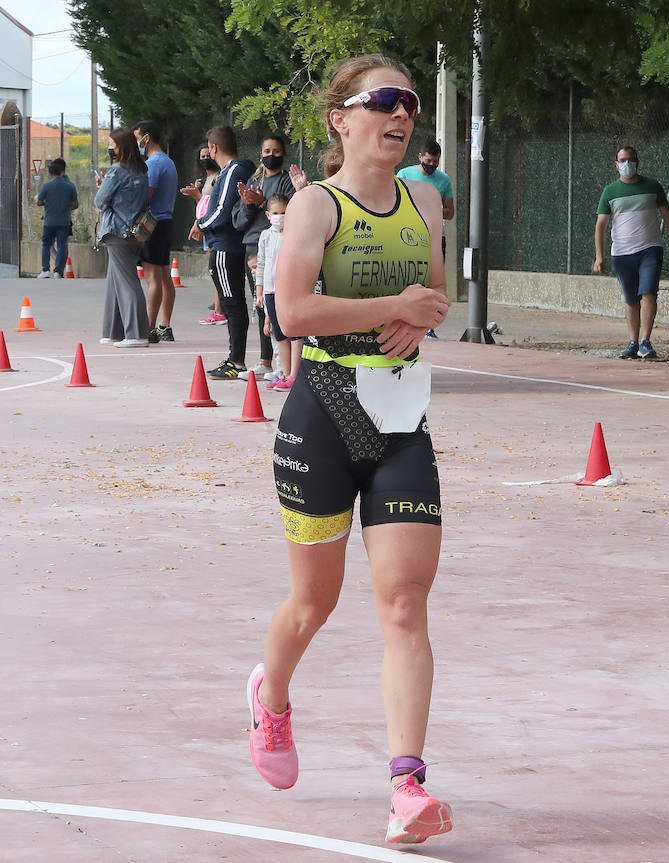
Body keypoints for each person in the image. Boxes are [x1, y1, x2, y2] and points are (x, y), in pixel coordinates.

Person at [250, 54, 453, 845]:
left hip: (402, 416)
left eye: (410, 101)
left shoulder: (426, 202)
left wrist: (419, 314)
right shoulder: (315, 207)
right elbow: (292, 313)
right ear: (341, 117)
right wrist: (390, 305)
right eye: (385, 101)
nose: (402, 114)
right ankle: (270, 700)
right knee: (315, 602)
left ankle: (407, 784)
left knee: (404, 604)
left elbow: (436, 296)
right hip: (322, 414)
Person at [592, 146, 669, 360]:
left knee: (649, 293)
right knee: (631, 299)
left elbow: (668, 217)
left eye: (630, 160)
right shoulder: (610, 191)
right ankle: (633, 342)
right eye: (622, 161)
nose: (627, 164)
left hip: (650, 249)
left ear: (637, 162)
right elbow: (601, 226)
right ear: (616, 164)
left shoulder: (653, 186)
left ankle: (645, 341)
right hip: (622, 254)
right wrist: (599, 256)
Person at [235, 134, 304, 380]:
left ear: (283, 154)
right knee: (261, 306)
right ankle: (266, 360)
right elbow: (239, 221)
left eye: (276, 151)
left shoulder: (286, 182)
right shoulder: (253, 181)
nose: (270, 155)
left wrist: (262, 201)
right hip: (254, 247)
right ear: (260, 154)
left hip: (279, 250)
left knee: (279, 310)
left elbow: (292, 212)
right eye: (266, 151)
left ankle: (281, 366)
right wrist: (248, 203)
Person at [197, 126, 255, 380]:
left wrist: (201, 225)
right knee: (234, 304)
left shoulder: (233, 170)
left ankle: (236, 360)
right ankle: (237, 358)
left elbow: (222, 211)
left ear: (214, 148)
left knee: (232, 304)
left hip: (226, 246)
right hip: (229, 245)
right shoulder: (230, 172)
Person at [94, 128, 151, 348]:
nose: (110, 148)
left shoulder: (116, 171)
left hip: (116, 230)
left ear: (121, 147)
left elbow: (100, 201)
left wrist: (103, 189)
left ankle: (136, 334)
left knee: (127, 282)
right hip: (136, 231)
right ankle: (113, 331)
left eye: (112, 144)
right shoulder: (141, 170)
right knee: (115, 280)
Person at [397, 140, 455, 338]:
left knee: (433, 281)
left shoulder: (443, 180)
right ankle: (404, 318)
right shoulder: (404, 175)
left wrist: (435, 209)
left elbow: (450, 212)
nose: (431, 165)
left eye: (435, 162)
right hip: (408, 235)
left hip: (435, 237)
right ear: (420, 157)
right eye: (428, 161)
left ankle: (429, 325)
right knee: (408, 278)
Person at [133, 120, 179, 344]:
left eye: (137, 138)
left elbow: (146, 195)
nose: (136, 144)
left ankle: (149, 328)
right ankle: (165, 325)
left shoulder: (153, 164)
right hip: (167, 222)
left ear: (146, 138)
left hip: (152, 223)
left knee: (152, 278)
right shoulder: (169, 162)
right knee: (163, 276)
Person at [256, 194, 302, 390]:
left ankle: (295, 374)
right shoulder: (266, 236)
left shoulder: (294, 234)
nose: (280, 217)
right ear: (268, 215)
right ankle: (284, 372)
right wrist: (259, 292)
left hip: (289, 289)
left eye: (284, 213)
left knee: (295, 333)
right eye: (276, 213)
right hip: (270, 291)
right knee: (279, 334)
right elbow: (261, 264)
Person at [183, 143, 226, 325]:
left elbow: (211, 206)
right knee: (213, 270)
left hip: (212, 229)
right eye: (202, 157)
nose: (205, 159)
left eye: (208, 155)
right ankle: (218, 306)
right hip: (205, 229)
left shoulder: (218, 178)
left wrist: (197, 196)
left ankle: (220, 310)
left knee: (216, 269)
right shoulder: (205, 179)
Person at [35, 158, 78, 278]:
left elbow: (39, 202)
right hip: (64, 221)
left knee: (46, 244)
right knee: (62, 245)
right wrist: (64, 205)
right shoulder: (70, 186)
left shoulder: (47, 186)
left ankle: (45, 270)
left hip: (49, 221)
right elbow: (75, 204)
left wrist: (48, 204)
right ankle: (58, 271)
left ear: (50, 173)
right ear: (61, 171)